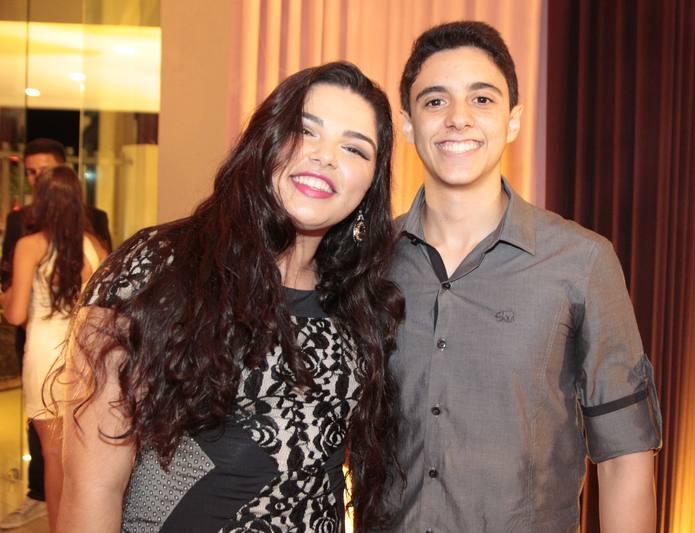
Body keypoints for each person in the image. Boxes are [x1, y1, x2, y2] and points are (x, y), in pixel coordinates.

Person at [57, 61, 404, 532]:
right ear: (265, 140)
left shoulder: (357, 301)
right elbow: (91, 488)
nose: (325, 157)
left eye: (354, 148)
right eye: (305, 130)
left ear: (370, 183)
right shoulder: (161, 268)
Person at [386, 21, 662, 532]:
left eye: (482, 99)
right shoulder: (367, 263)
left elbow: (625, 460)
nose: (458, 118)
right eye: (435, 101)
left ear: (513, 120)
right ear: (407, 124)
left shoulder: (582, 262)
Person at [0, 138, 111, 531]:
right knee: (81, 456)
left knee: (52, 455)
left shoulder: (30, 245)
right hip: (84, 355)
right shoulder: (94, 245)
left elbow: (16, 314)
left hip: (46, 351)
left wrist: (7, 296)